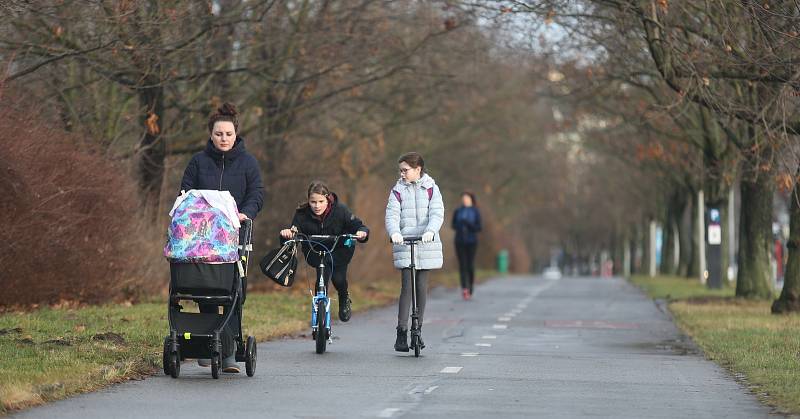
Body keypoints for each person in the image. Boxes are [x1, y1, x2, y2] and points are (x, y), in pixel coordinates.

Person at [180, 102, 264, 373]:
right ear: (211, 134)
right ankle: (206, 345)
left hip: (234, 235)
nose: (223, 139)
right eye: (218, 134)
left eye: (228, 134)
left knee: (232, 292)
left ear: (235, 134)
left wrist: (245, 213)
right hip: (202, 236)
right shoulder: (198, 161)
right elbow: (186, 192)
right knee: (205, 289)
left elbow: (257, 194)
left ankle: (228, 352)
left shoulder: (248, 162)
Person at [280, 181, 369, 322]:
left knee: (338, 279)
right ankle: (319, 314)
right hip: (315, 251)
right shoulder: (302, 214)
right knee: (322, 280)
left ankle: (344, 297)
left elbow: (359, 226)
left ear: (327, 199)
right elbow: (293, 231)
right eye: (313, 202)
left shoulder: (340, 210)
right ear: (308, 200)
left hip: (338, 250)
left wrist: (361, 232)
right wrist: (287, 234)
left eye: (321, 201)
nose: (317, 206)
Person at [385, 152, 444, 352]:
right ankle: (401, 331)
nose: (402, 174)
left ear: (418, 169)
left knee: (421, 287)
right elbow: (392, 215)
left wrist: (431, 231)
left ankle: (417, 330)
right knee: (407, 288)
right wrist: (394, 233)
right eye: (400, 170)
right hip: (405, 242)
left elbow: (437, 213)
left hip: (425, 242)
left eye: (405, 170)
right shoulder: (397, 191)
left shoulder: (431, 189)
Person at [452, 191, 481, 300]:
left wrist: (468, 224)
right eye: (463, 198)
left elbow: (479, 228)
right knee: (462, 265)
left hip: (472, 241)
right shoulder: (458, 211)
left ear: (471, 199)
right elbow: (453, 225)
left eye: (466, 198)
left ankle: (471, 286)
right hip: (459, 241)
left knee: (470, 265)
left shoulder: (475, 211)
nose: (464, 200)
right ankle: (464, 288)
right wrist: (460, 224)